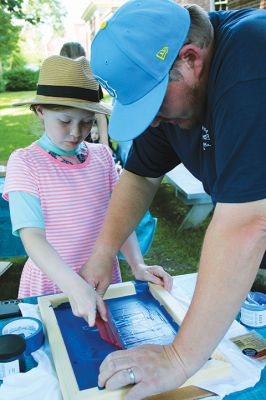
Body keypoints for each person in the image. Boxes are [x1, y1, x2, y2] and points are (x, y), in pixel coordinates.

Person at [80, 1, 266, 398]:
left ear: (191, 59)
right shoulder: (170, 91)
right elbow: (141, 175)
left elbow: (249, 224)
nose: (156, 120)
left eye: (155, 103)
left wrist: (179, 358)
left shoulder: (252, 59)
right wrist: (103, 250)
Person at [2, 55, 172, 326]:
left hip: (102, 279)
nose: (75, 132)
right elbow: (32, 237)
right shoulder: (25, 162)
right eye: (65, 120)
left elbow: (120, 218)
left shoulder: (102, 156)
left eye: (86, 121)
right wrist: (73, 286)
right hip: (52, 283)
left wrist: (137, 265)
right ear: (40, 111)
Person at [60, 41, 112, 151]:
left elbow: (99, 114)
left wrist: (104, 145)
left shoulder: (90, 79)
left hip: (92, 135)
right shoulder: (57, 83)